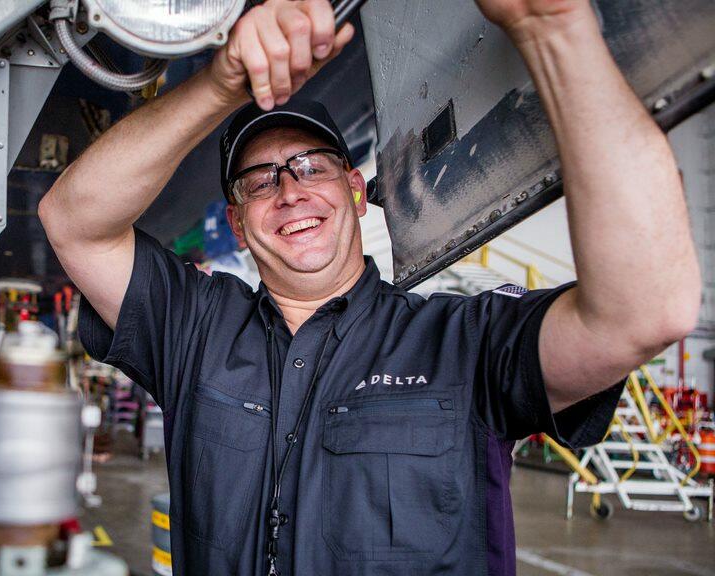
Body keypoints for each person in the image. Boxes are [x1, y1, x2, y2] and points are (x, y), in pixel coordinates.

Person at [39, 0, 701, 574]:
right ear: (239, 225)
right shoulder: (193, 330)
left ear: (356, 194)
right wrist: (223, 84)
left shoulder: (463, 346)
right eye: (260, 179)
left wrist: (553, 29)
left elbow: (645, 311)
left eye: (311, 167)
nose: (290, 190)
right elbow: (72, 220)